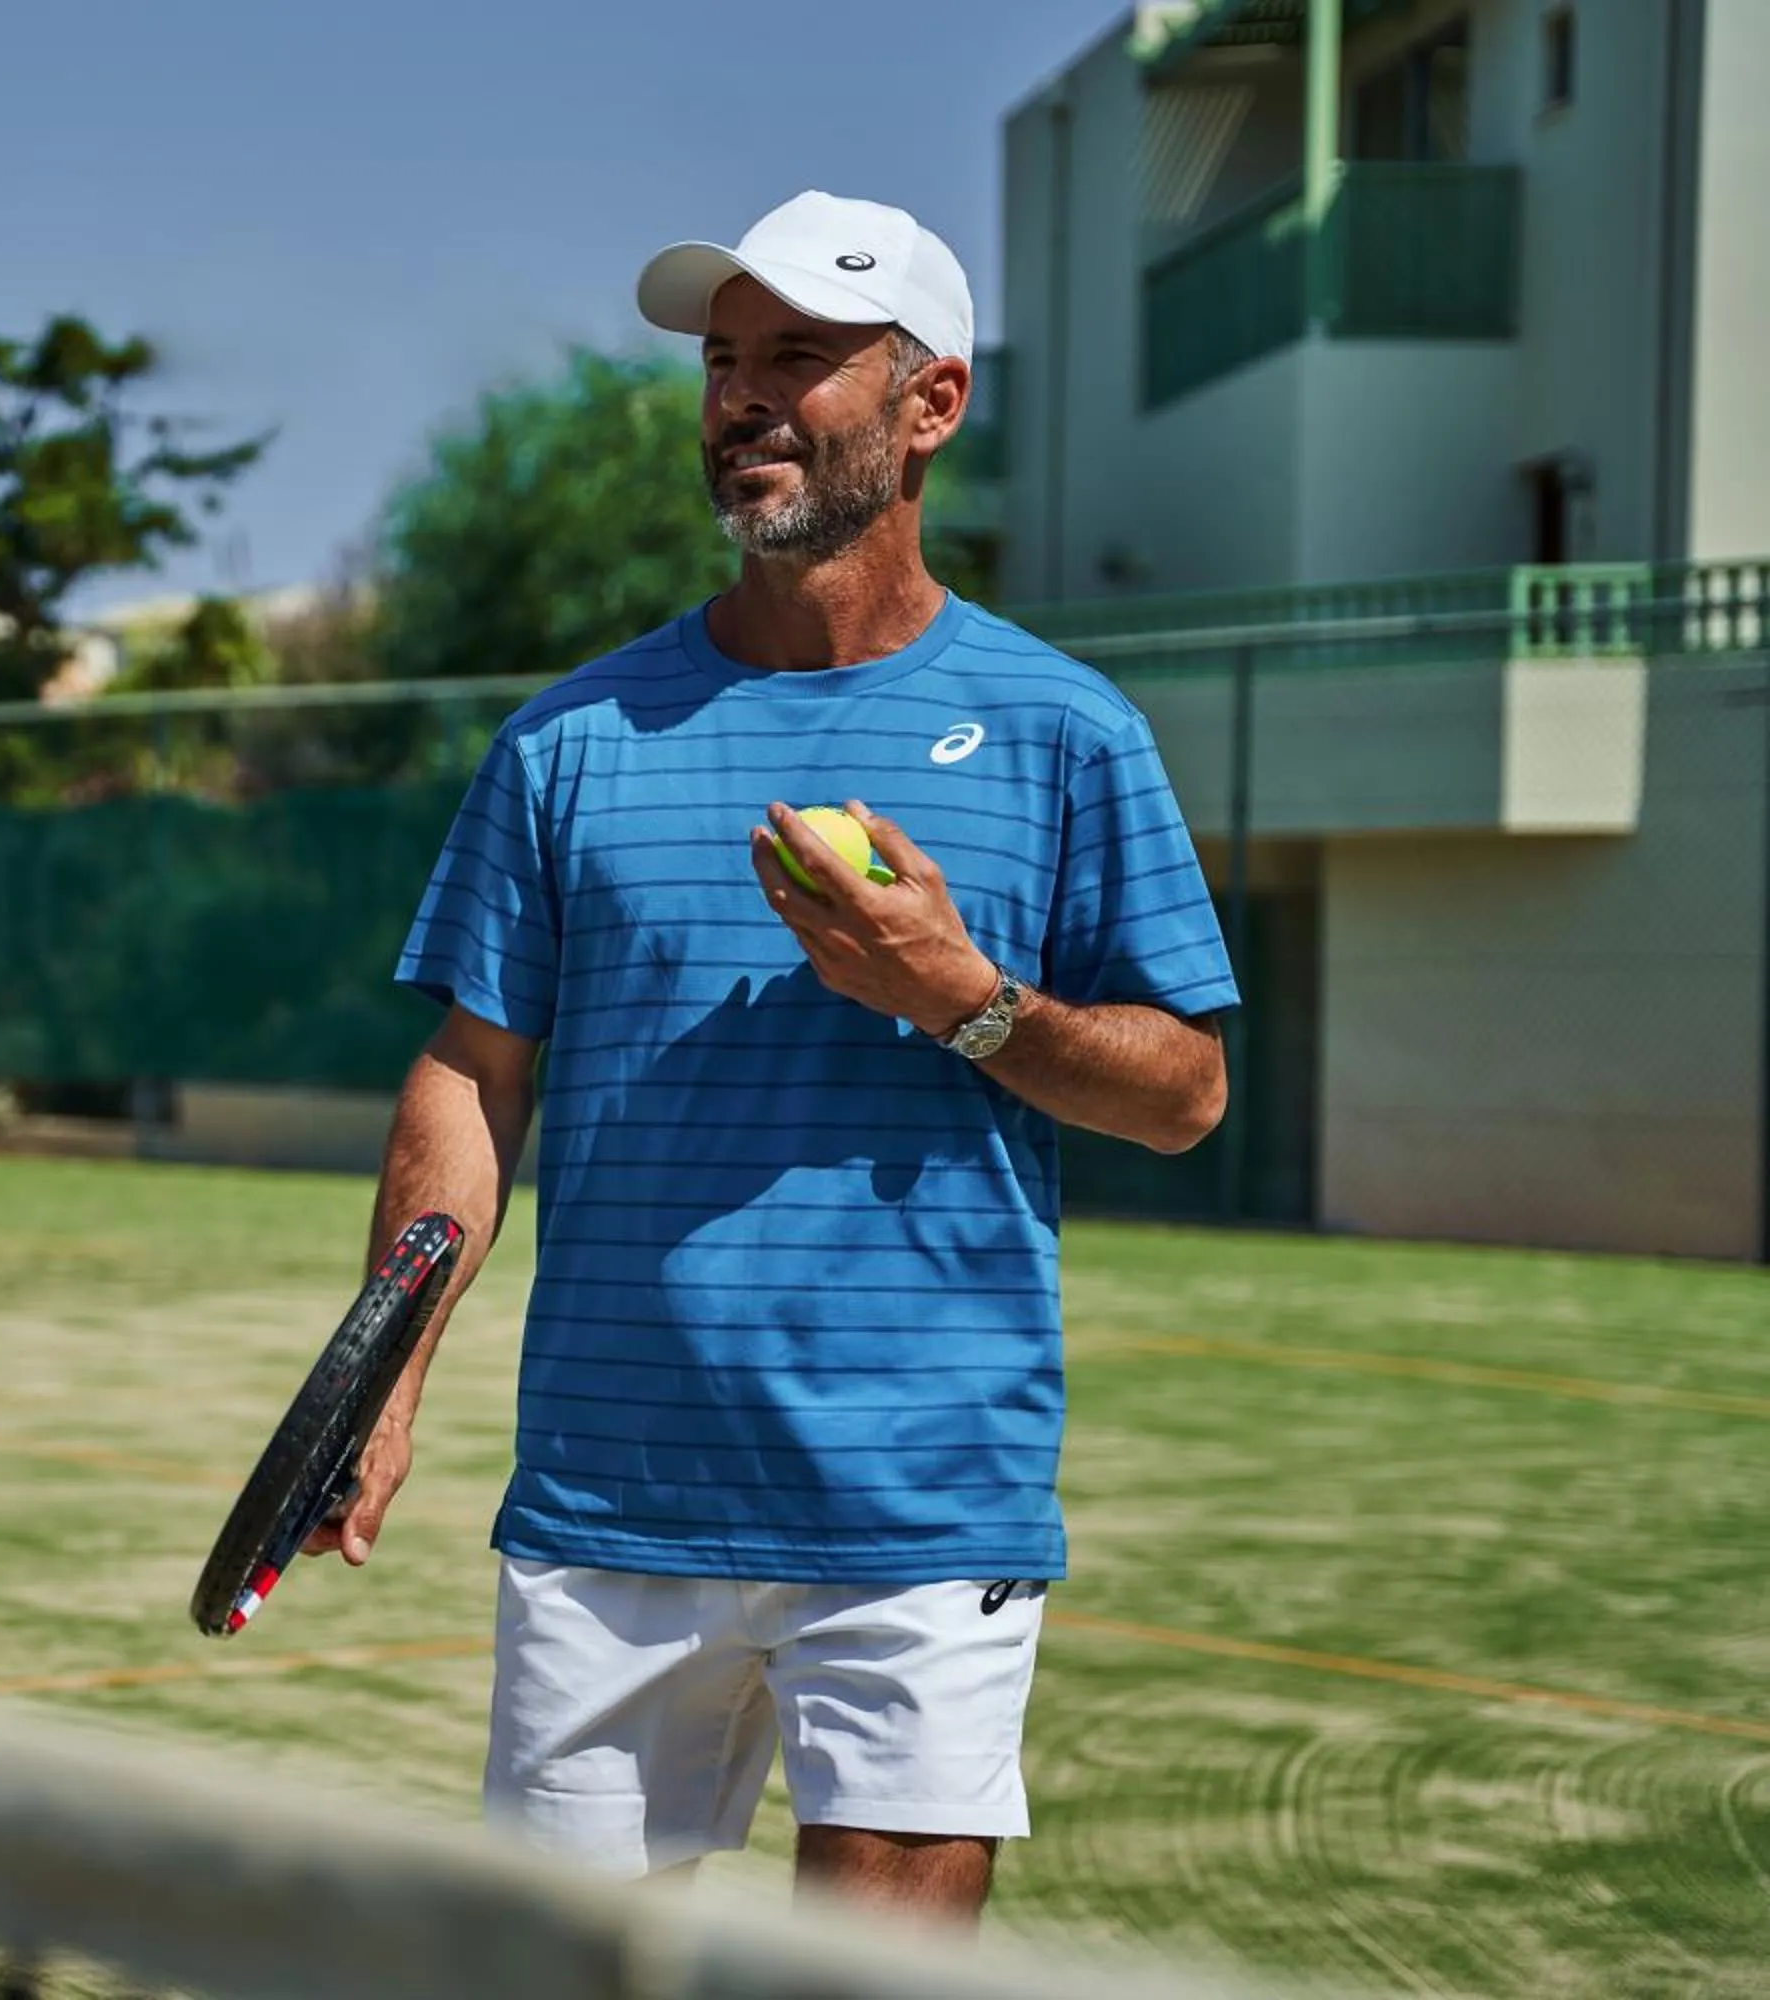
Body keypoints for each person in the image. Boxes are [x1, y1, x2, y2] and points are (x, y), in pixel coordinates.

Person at [304, 190, 1238, 1926]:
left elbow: (1186, 1092)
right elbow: (471, 1072)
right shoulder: (566, 742)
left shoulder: (1065, 732)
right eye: (724, 360)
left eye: (800, 357)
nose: (743, 396)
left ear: (930, 402)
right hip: (608, 1507)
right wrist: (383, 1370)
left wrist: (966, 996)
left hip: (920, 1512)